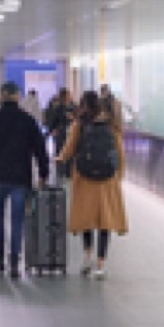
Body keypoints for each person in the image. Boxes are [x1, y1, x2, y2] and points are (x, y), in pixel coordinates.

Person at [0, 81, 52, 277]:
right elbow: (40, 149)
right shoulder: (27, 120)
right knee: (17, 220)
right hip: (20, 178)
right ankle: (14, 261)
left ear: (2, 96)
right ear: (18, 97)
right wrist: (44, 172)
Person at [59, 90, 129, 279]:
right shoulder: (111, 125)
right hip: (107, 180)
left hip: (84, 179)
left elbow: (69, 149)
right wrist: (119, 175)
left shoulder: (79, 125)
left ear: (82, 105)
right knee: (104, 221)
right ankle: (101, 264)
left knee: (86, 219)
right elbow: (120, 153)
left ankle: (87, 256)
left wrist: (60, 158)